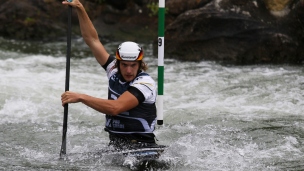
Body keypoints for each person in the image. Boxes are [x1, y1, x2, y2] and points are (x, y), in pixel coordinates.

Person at [61, 0, 161, 150]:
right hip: (115, 147)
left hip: (142, 147)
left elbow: (115, 108)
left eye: (133, 65)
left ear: (140, 64)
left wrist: (81, 97)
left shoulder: (145, 84)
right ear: (118, 63)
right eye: (124, 65)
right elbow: (92, 40)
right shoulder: (113, 69)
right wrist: (80, 8)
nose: (128, 70)